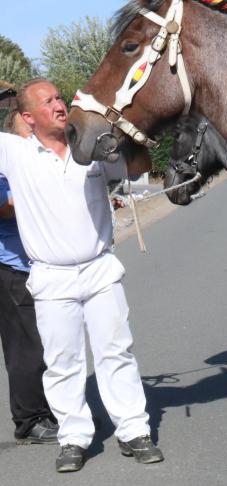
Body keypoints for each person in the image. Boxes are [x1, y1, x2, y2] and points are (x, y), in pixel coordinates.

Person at [0, 78, 163, 473]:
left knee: (115, 352)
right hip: (51, 278)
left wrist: (134, 135)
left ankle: (133, 430)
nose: (59, 104)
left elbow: (138, 169)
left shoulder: (89, 148)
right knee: (62, 362)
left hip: (99, 270)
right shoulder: (14, 153)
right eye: (48, 101)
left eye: (59, 97)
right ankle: (74, 437)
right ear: (27, 117)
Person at [0, 109, 59, 446]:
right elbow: (3, 207)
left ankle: (51, 410)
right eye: (27, 130)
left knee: (51, 343)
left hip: (39, 265)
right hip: (11, 265)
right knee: (25, 347)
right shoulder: (7, 165)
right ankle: (29, 420)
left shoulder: (41, 159)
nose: (32, 137)